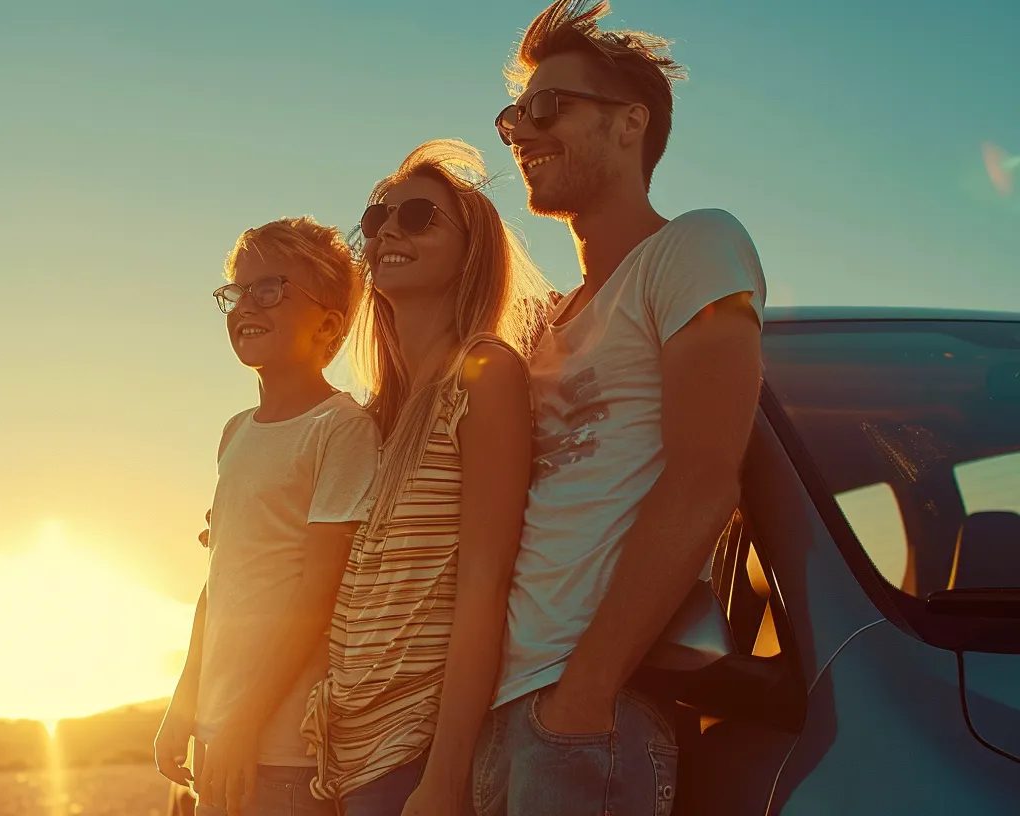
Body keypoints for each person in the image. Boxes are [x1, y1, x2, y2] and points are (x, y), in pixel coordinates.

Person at [472, 2, 768, 814]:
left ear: (630, 122)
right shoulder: (545, 328)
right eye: (512, 117)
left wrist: (586, 692)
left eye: (547, 106)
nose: (521, 133)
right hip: (500, 711)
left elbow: (706, 479)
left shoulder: (693, 248)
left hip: (588, 710)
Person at [302, 140, 551, 816]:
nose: (387, 231)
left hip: (412, 757)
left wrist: (444, 777)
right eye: (377, 216)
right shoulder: (371, 416)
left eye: (419, 216)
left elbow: (484, 585)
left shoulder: (484, 375)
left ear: (472, 251)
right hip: (334, 751)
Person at [153, 217, 382, 816]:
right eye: (235, 291)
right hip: (220, 733)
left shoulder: (342, 428)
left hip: (282, 750)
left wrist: (246, 724)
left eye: (269, 289)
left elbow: (317, 595)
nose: (244, 305)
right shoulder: (235, 433)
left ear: (329, 324)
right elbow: (219, 585)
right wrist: (184, 706)